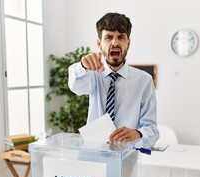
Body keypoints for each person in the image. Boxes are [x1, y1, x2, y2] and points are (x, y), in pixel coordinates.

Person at [68, 12, 159, 148]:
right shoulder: (91, 74)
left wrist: (138, 133)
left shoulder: (144, 80)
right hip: (94, 155)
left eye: (121, 37)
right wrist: (82, 65)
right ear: (99, 44)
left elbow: (152, 130)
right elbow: (75, 85)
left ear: (128, 43)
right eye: (109, 37)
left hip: (127, 157)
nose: (115, 42)